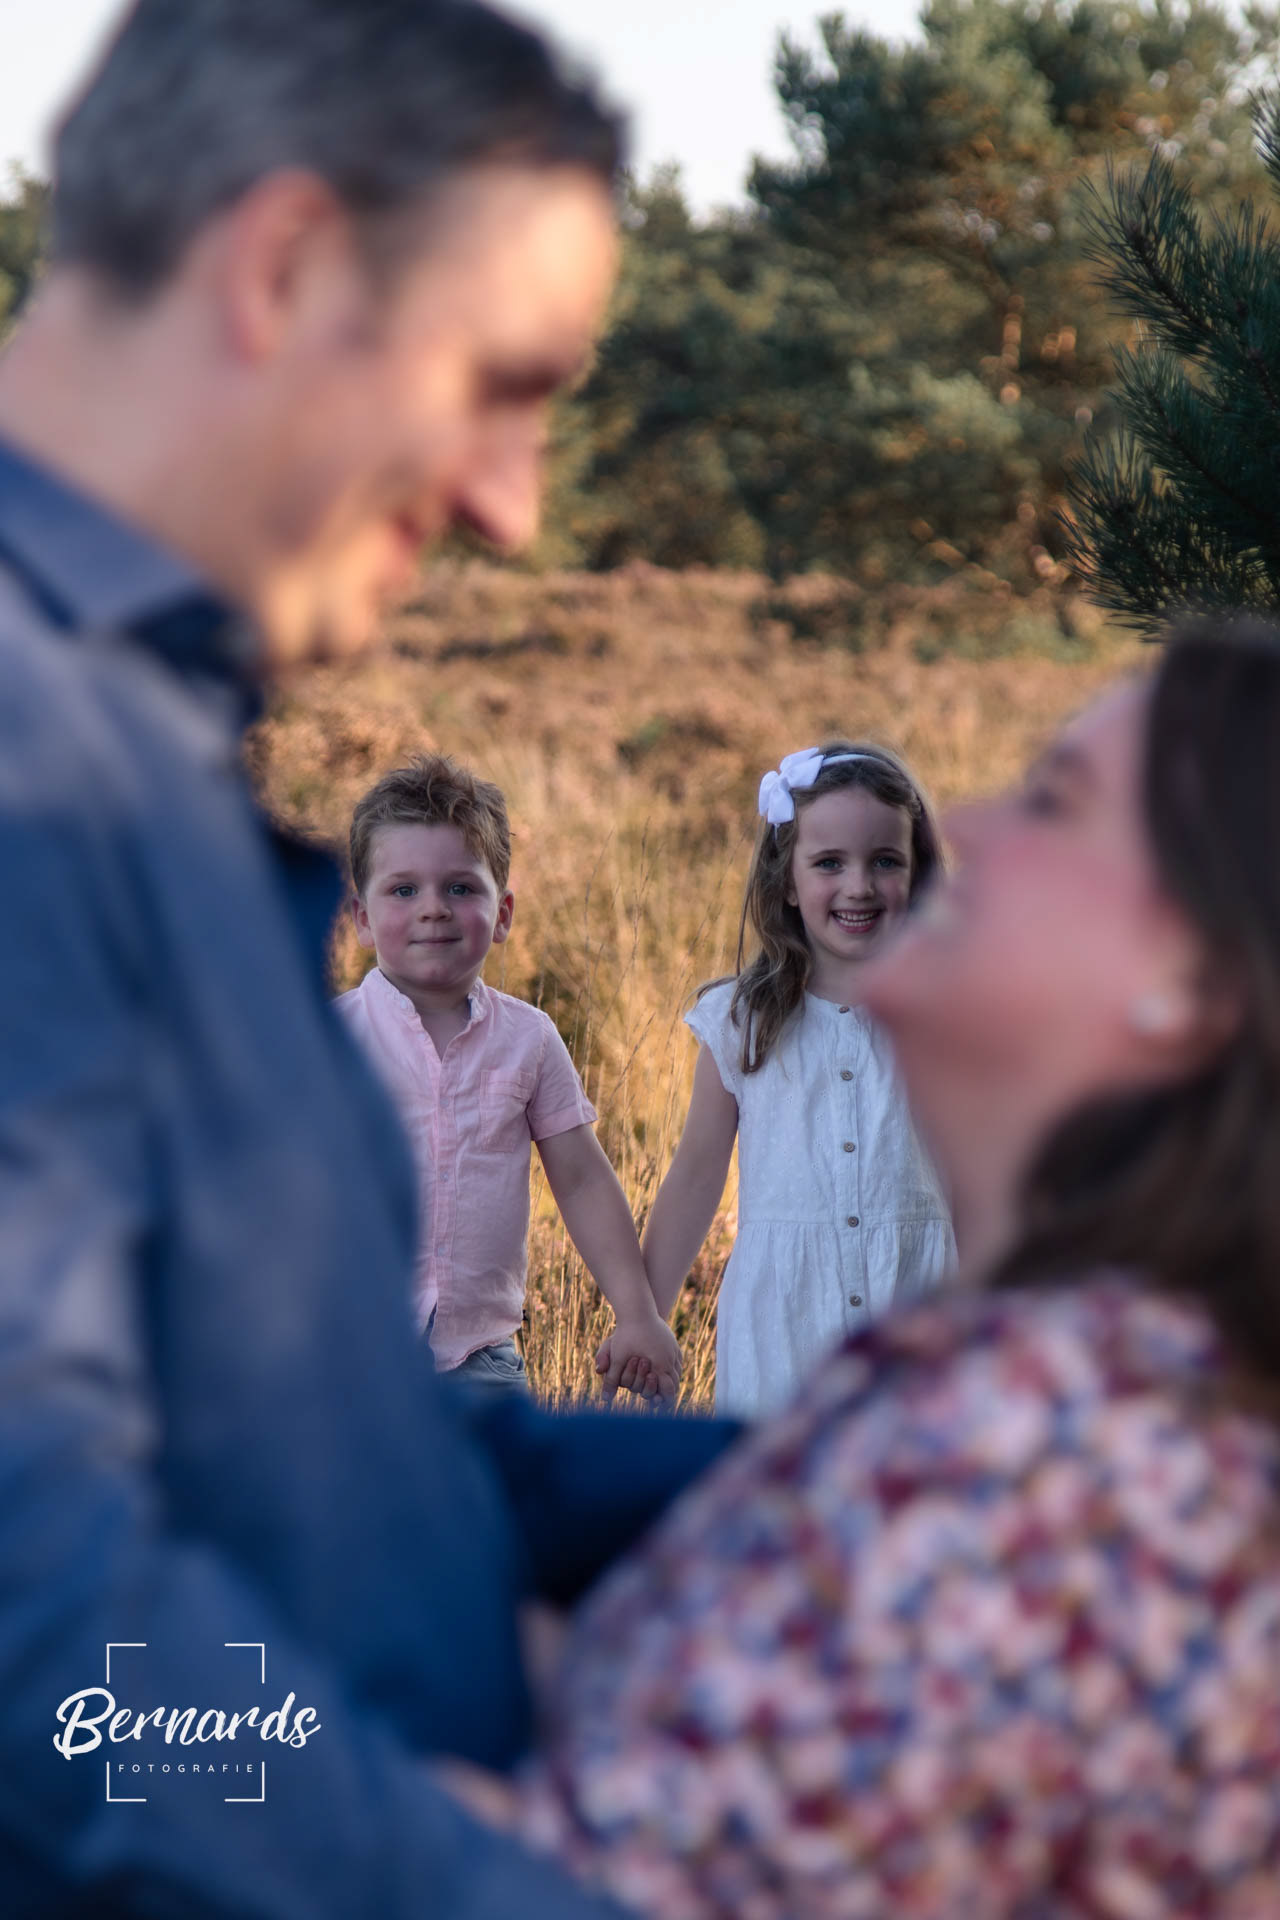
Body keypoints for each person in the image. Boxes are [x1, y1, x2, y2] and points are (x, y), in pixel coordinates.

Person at [0, 4, 735, 1915]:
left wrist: (933, 1469)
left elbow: (322, 1447)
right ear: (284, 265)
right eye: (500, 384)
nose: (516, 504)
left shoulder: (122, 743)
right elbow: (49, 1647)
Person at [493, 617, 1280, 1916]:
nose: (965, 823)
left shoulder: (1042, 1474)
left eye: (1053, 801)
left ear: (1183, 981)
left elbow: (580, 1874)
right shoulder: (1019, 1378)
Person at [336, 754, 682, 1398]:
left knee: (491, 1502)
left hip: (481, 1361)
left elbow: (579, 1180)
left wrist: (638, 1313)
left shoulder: (529, 1039)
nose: (433, 909)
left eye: (461, 887)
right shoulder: (328, 1040)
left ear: (503, 914)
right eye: (403, 889)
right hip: (343, 1357)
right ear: (360, 917)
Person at [637, 741, 956, 1418]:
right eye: (829, 863)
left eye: (886, 862)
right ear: (787, 879)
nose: (859, 886)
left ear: (917, 873)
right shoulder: (741, 1021)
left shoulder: (948, 1015)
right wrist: (645, 1313)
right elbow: (696, 1175)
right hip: (784, 1337)